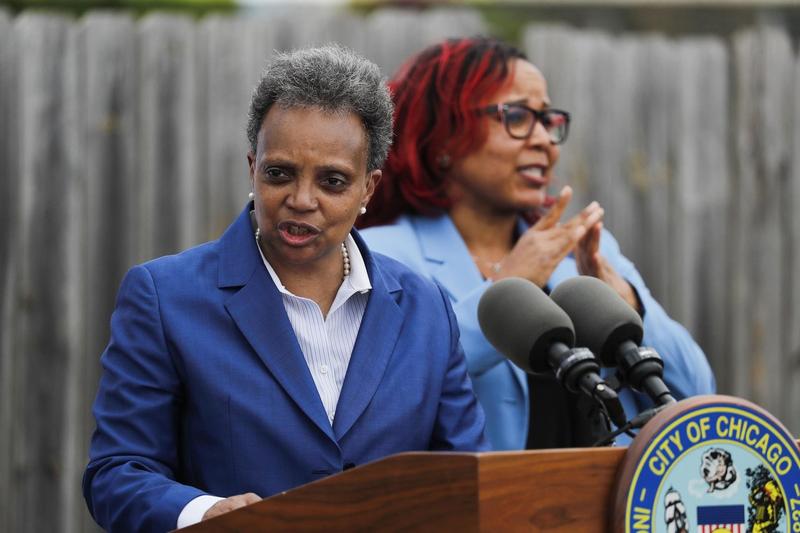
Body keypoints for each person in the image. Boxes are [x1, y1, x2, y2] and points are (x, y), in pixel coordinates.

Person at [82, 45, 488, 532]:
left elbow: (469, 482)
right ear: (252, 166)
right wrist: (206, 513)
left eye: (333, 181)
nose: (301, 200)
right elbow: (118, 473)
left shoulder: (427, 308)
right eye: (280, 173)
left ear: (369, 189)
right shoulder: (164, 297)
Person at [359, 37, 715, 451]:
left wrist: (632, 305)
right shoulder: (380, 258)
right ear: (441, 140)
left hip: (614, 507)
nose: (545, 139)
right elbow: (383, 400)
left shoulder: (584, 250)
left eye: (548, 120)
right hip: (478, 511)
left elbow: (698, 391)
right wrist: (502, 289)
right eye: (517, 116)